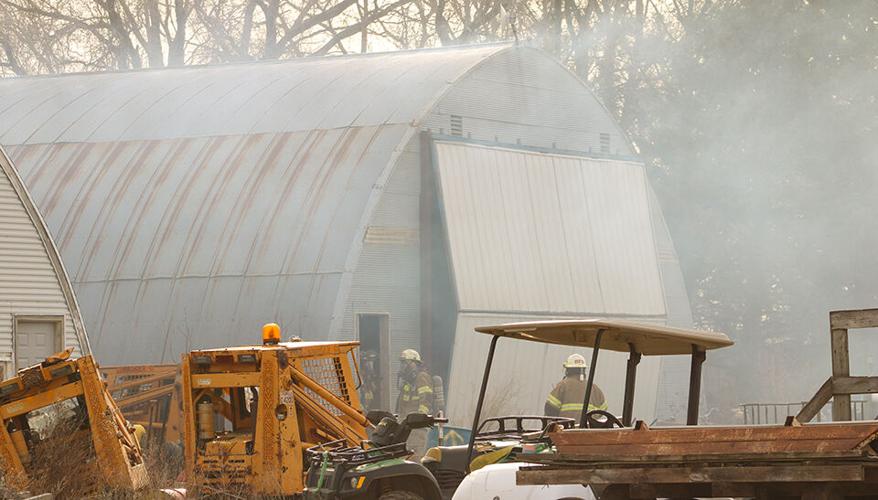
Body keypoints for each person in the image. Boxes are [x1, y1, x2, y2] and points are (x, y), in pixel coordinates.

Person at [545, 354, 608, 420]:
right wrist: (592, 418)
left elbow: (550, 409)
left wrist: (558, 421)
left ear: (568, 370)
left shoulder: (563, 385)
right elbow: (603, 408)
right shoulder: (594, 387)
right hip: (587, 428)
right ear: (583, 369)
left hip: (567, 428)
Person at [396, 349, 434, 415]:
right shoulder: (408, 382)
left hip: (418, 422)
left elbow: (426, 401)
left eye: (404, 363)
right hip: (407, 421)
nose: (402, 366)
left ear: (414, 364)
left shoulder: (422, 377)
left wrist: (420, 416)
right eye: (402, 363)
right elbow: (402, 405)